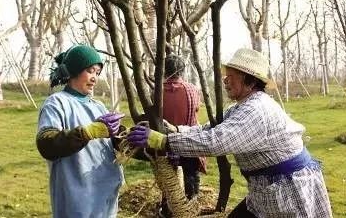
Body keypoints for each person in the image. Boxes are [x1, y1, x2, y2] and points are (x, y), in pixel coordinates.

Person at [127, 48, 333, 218]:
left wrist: (164, 141)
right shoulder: (242, 107)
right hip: (267, 189)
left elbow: (216, 142)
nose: (225, 80)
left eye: (231, 77)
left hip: (288, 191)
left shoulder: (256, 110)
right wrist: (176, 130)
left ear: (250, 81)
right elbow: (210, 128)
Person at [36, 44, 125, 218]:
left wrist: (128, 138)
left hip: (105, 193)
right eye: (90, 71)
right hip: (77, 195)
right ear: (75, 71)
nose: (95, 78)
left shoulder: (98, 106)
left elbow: (112, 140)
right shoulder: (57, 103)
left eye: (97, 73)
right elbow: (46, 143)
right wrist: (86, 133)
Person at [159, 54, 207, 217]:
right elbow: (195, 112)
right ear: (182, 71)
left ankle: (166, 209)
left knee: (168, 179)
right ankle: (190, 207)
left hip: (164, 141)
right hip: (188, 139)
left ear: (165, 71)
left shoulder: (157, 91)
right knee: (191, 176)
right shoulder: (192, 90)